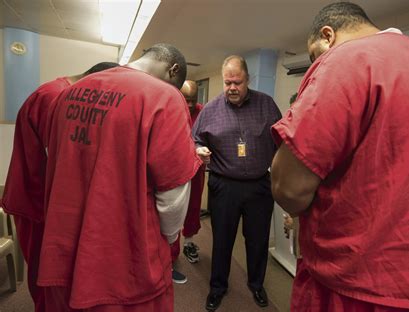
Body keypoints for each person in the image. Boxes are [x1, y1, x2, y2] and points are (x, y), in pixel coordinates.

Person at [271, 2, 409, 312]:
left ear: (328, 36)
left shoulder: (348, 58)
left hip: (356, 277)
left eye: (314, 56)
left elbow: (289, 188)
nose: (316, 64)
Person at [35, 43, 201, 311]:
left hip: (63, 247)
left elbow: (52, 158)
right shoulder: (165, 97)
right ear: (173, 70)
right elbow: (173, 195)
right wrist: (169, 239)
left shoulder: (69, 93)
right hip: (125, 259)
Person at [1, 61, 119, 312]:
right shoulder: (54, 96)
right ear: (97, 81)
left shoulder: (57, 90)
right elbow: (62, 156)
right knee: (46, 279)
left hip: (41, 199)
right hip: (36, 203)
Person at [193, 55, 282, 311]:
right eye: (228, 82)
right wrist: (199, 149)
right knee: (222, 239)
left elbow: (281, 139)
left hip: (259, 186)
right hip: (224, 186)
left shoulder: (266, 105)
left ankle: (256, 284)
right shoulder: (210, 109)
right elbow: (195, 138)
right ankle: (217, 288)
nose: (232, 87)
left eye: (237, 82)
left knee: (257, 239)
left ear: (247, 80)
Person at [169, 80, 206, 284]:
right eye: (187, 99)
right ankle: (171, 253)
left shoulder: (203, 112)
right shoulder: (171, 108)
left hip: (196, 169)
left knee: (193, 208)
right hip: (175, 170)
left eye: (193, 100)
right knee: (173, 210)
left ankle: (189, 242)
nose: (190, 104)